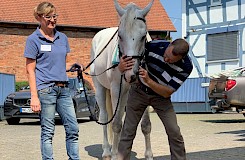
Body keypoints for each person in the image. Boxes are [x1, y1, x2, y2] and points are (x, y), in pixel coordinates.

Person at [117, 38, 193, 160]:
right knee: (128, 131)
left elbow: (167, 92)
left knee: (174, 132)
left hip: (161, 97)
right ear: (169, 45)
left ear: (181, 58)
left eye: (171, 61)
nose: (166, 59)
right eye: (166, 55)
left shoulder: (186, 67)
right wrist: (120, 67)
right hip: (138, 92)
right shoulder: (153, 46)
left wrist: (148, 81)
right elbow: (130, 56)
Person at [24, 2, 80, 160]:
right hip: (45, 91)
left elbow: (59, 64)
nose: (52, 20)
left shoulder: (63, 38)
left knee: (73, 128)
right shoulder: (33, 39)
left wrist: (73, 66)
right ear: (39, 17)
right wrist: (34, 97)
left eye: (54, 16)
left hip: (64, 89)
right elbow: (30, 69)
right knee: (48, 132)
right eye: (48, 17)